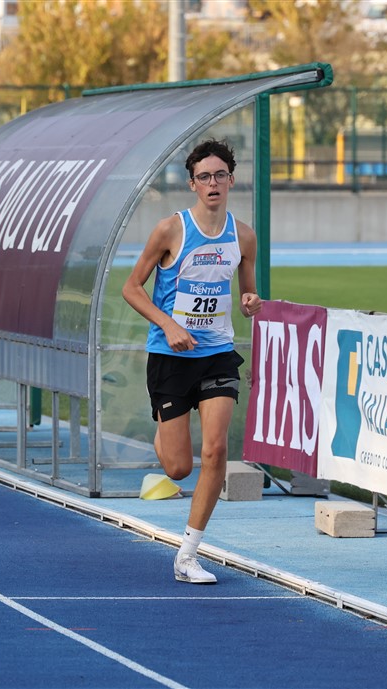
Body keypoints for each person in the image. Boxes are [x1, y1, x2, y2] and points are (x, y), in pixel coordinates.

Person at [121, 139, 262, 584]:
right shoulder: (170, 230)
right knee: (178, 468)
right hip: (171, 355)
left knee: (216, 449)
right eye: (204, 177)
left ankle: (187, 554)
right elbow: (131, 288)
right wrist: (169, 325)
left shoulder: (243, 236)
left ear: (231, 180)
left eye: (220, 175)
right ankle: (165, 430)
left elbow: (247, 292)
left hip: (217, 354)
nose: (213, 183)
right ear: (193, 184)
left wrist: (250, 301)